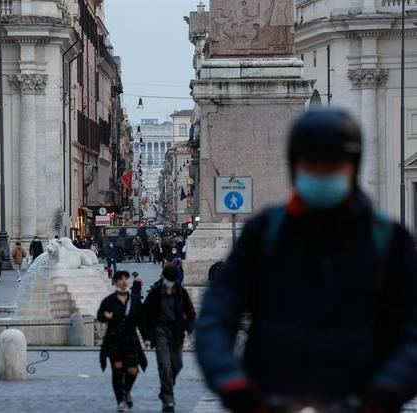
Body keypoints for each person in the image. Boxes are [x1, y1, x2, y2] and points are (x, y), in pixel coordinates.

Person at [196, 108, 417, 413]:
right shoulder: (263, 233)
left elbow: (412, 327)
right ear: (295, 167)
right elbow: (217, 312)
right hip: (272, 400)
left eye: (333, 164)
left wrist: (389, 388)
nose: (323, 173)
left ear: (351, 167)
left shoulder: (389, 240)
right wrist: (232, 382)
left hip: (362, 400)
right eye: (313, 164)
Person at [144, 264, 196, 412]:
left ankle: (166, 386)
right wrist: (148, 336)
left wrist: (189, 328)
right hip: (160, 330)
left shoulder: (181, 292)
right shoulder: (155, 293)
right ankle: (168, 398)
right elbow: (145, 313)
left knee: (177, 364)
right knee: (164, 365)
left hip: (177, 332)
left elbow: (191, 312)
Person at [97, 270, 149, 412]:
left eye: (126, 279)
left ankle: (126, 390)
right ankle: (120, 400)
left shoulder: (135, 301)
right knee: (118, 369)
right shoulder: (109, 301)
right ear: (116, 282)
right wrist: (105, 315)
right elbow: (100, 315)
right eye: (121, 279)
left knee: (132, 371)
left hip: (131, 340)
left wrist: (146, 338)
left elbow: (141, 321)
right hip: (114, 340)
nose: (124, 281)